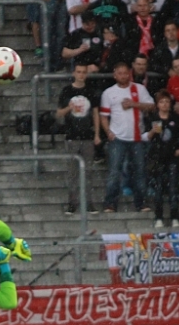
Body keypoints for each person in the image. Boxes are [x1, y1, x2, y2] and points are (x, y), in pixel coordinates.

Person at [100, 62, 156, 211]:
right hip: (118, 138)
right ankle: (110, 203)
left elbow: (152, 106)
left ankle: (141, 203)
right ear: (115, 75)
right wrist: (108, 132)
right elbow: (103, 116)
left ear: (129, 73)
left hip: (137, 138)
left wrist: (134, 104)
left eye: (125, 73)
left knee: (140, 172)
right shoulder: (108, 93)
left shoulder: (139, 89)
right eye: (120, 73)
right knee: (114, 172)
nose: (123, 76)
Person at [57, 63, 102, 214]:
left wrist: (97, 134)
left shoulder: (90, 91)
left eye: (83, 72)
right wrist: (69, 108)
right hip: (72, 136)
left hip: (87, 136)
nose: (81, 75)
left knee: (88, 172)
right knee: (72, 173)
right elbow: (59, 113)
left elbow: (95, 114)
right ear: (74, 73)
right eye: (79, 72)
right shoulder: (67, 91)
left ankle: (89, 203)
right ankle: (72, 203)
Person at [148, 90, 179, 227]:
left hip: (172, 157)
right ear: (157, 104)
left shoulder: (175, 118)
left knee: (173, 188)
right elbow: (145, 137)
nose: (164, 104)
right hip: (158, 157)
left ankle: (175, 216)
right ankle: (158, 217)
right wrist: (152, 131)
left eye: (167, 102)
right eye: (162, 102)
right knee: (158, 189)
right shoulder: (152, 118)